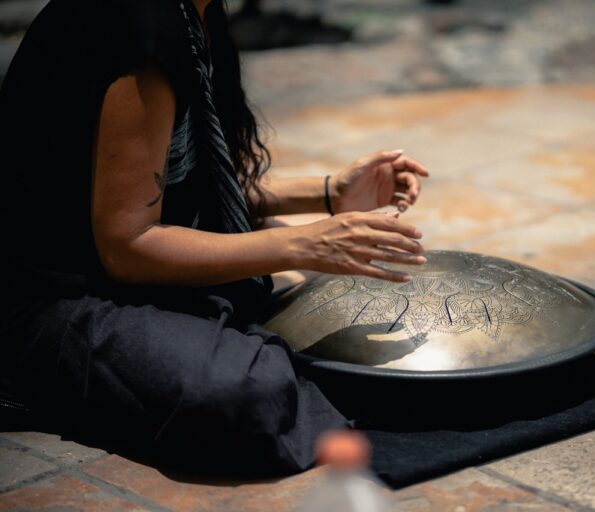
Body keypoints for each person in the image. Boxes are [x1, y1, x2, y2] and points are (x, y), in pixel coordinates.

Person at [0, 0, 428, 475]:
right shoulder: (133, 18)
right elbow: (129, 244)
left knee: (285, 319)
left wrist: (329, 192)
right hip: (44, 297)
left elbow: (180, 188)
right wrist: (303, 244)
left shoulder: (196, 12)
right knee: (249, 392)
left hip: (118, 269)